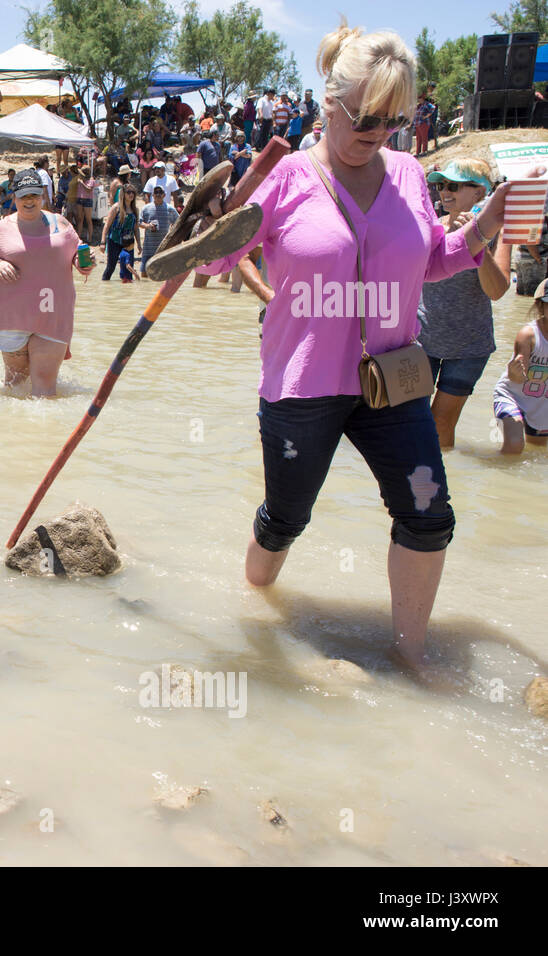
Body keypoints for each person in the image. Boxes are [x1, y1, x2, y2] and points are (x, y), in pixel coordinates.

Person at [194, 19, 521, 674]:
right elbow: (211, 268)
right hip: (301, 385)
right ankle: (251, 611)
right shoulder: (285, 178)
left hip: (392, 380)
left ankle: (412, 654)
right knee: (286, 518)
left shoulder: (405, 172)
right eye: (365, 117)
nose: (377, 133)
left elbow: (430, 260)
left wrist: (485, 226)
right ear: (329, 103)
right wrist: (209, 227)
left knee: (429, 515)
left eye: (394, 121)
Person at [0, 169, 93, 398]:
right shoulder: (0, 228)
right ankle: (15, 432)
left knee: (44, 389)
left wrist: (83, 263)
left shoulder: (60, 223)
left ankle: (46, 433)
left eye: (34, 195)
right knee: (14, 387)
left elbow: (77, 253)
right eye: (24, 196)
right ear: (14, 197)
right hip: (14, 317)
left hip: (53, 314)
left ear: (42, 196)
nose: (29, 201)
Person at [418, 159, 511, 448]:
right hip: (423, 339)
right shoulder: (430, 225)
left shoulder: (500, 232)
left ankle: (437, 488)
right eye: (441, 185)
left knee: (441, 422)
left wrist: (478, 241)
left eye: (454, 186)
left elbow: (497, 291)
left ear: (480, 194)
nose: (445, 192)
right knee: (411, 421)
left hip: (469, 346)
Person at [493, 278, 548, 455]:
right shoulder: (529, 335)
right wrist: (515, 372)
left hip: (540, 404)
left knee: (537, 452)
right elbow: (517, 377)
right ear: (540, 306)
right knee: (515, 444)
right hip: (512, 396)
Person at [138, 185, 178, 278]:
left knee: (163, 276)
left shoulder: (170, 209)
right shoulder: (146, 208)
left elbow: (178, 223)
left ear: (164, 195)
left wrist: (171, 233)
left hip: (163, 248)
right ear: (152, 195)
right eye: (156, 192)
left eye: (160, 192)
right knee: (144, 276)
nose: (158, 194)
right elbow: (139, 223)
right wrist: (148, 226)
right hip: (148, 248)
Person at [101, 185, 139, 281]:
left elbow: (136, 229)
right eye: (128, 192)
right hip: (114, 240)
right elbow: (107, 225)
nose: (131, 194)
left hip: (128, 242)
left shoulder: (135, 210)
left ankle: (127, 290)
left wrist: (139, 244)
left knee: (128, 267)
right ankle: (105, 286)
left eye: (133, 192)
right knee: (111, 267)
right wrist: (102, 242)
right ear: (123, 194)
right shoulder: (116, 208)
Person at [73, 164, 96, 245]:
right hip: (79, 199)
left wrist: (82, 183)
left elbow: (89, 190)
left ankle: (89, 238)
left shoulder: (91, 180)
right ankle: (79, 237)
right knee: (80, 219)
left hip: (87, 200)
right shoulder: (80, 179)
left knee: (88, 219)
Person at [412, 93, 430, 158]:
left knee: (424, 137)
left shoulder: (427, 104)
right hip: (417, 123)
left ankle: (424, 151)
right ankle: (418, 152)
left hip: (423, 123)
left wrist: (426, 116)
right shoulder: (419, 106)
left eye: (419, 98)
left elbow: (432, 109)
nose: (418, 100)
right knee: (418, 138)